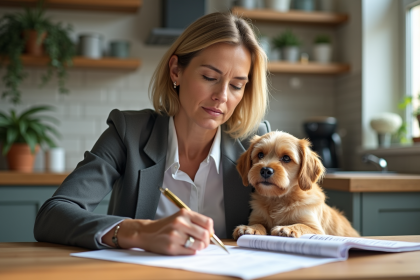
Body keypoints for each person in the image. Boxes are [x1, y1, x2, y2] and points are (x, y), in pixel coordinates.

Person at [34, 12, 270, 256]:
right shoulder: (129, 133)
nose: (222, 95)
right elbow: (52, 214)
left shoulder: (257, 144)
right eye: (210, 77)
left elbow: (296, 215)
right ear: (176, 70)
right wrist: (139, 233)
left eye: (236, 85)